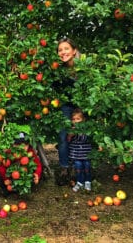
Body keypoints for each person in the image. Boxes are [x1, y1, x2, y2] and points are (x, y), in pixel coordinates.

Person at [54, 37, 80, 186]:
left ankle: (79, 168)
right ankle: (64, 168)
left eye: (66, 48)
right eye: (60, 50)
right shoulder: (58, 70)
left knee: (80, 135)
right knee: (63, 137)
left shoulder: (84, 68)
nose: (63, 52)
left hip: (83, 106)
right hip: (65, 106)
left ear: (74, 50)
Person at [67, 108, 92, 192]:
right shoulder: (71, 129)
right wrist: (70, 135)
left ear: (83, 120)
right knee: (78, 167)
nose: (76, 121)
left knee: (87, 166)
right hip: (76, 155)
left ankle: (88, 182)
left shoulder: (87, 129)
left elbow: (87, 138)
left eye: (78, 119)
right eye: (73, 119)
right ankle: (79, 182)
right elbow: (68, 140)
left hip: (86, 154)